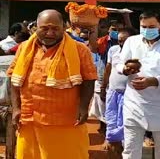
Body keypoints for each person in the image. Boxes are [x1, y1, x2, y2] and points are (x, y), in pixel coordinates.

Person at [7, 9, 97, 159]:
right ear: (36, 27)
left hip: (65, 121)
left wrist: (83, 107)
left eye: (55, 28)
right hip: (29, 119)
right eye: (45, 28)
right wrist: (16, 108)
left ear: (64, 27)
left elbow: (89, 79)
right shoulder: (24, 48)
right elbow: (14, 79)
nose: (50, 33)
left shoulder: (80, 50)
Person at [116, 11, 160, 159]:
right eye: (144, 27)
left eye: (151, 26)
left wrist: (153, 81)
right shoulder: (132, 41)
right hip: (134, 103)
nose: (147, 30)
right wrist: (124, 69)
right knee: (130, 149)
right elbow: (119, 63)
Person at [101, 27, 137, 158]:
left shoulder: (138, 52)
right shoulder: (113, 50)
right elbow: (108, 69)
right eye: (120, 41)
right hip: (112, 90)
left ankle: (126, 148)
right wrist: (103, 87)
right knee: (111, 119)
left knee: (127, 122)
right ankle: (111, 141)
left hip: (129, 94)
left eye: (125, 41)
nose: (122, 44)